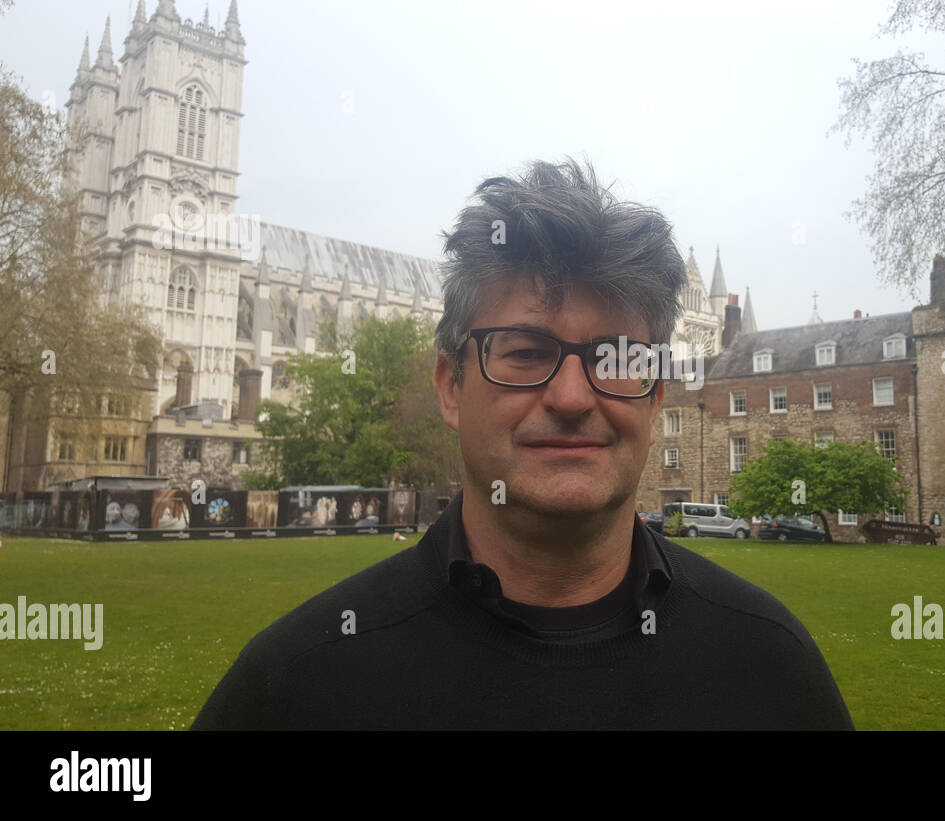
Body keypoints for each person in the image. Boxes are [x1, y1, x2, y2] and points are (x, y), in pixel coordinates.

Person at [192, 158, 853, 730]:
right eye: (526, 351)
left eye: (616, 356)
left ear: (656, 399)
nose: (571, 397)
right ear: (450, 385)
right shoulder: (293, 684)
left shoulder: (771, 665)